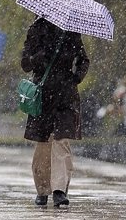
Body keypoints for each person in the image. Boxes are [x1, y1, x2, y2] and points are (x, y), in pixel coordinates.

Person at [21, 17, 90, 207]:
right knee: (43, 142)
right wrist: (40, 56)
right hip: (42, 94)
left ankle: (59, 190)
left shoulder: (72, 31)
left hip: (66, 95)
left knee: (61, 140)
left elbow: (83, 59)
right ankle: (42, 189)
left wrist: (76, 76)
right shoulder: (36, 29)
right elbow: (25, 63)